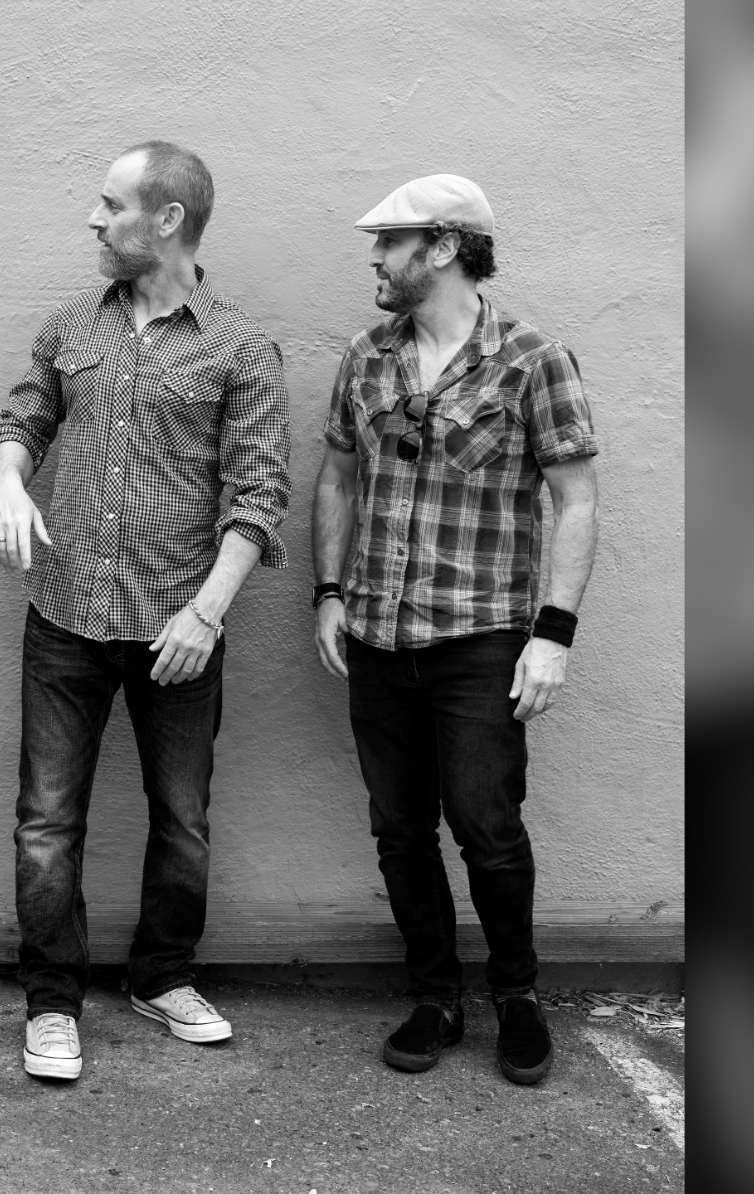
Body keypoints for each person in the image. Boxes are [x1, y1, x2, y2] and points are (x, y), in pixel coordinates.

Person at [0, 140, 291, 1081]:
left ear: (167, 220)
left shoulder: (241, 346)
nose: (92, 218)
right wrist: (6, 482)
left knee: (183, 815)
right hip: (66, 615)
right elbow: (21, 420)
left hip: (176, 627)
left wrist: (206, 613)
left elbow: (259, 491)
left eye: (110, 204)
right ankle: (51, 1003)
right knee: (47, 818)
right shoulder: (73, 324)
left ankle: (162, 977)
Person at [311, 175, 599, 1084]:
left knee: (487, 826)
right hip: (377, 636)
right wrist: (329, 591)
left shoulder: (532, 359)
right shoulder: (366, 355)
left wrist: (552, 634)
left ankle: (516, 995)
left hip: (482, 640)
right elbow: (336, 479)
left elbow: (577, 500)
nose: (374, 257)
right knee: (399, 830)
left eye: (389, 241)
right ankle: (436, 995)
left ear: (441, 247)